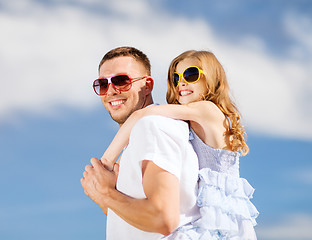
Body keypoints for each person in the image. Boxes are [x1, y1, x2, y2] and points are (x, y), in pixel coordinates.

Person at [101, 50, 259, 239]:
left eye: (191, 75)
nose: (181, 82)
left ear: (211, 78)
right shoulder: (188, 121)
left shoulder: (208, 110)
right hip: (209, 214)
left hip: (224, 217)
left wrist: (106, 162)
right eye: (175, 78)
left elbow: (140, 115)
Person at [81, 46, 201, 240]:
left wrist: (105, 193)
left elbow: (163, 219)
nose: (111, 91)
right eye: (103, 84)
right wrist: (106, 199)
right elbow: (138, 222)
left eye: (122, 81)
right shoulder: (140, 135)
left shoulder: (152, 126)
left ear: (147, 86)